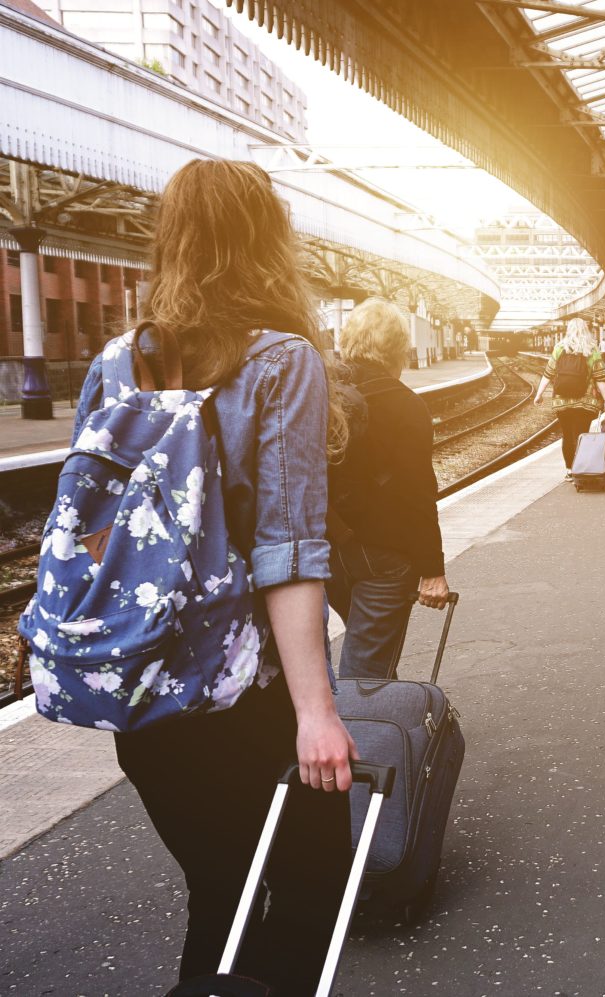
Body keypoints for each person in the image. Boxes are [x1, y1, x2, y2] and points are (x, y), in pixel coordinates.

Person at [71, 160, 356, 993]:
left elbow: (91, 536)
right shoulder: (282, 361)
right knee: (311, 893)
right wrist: (317, 711)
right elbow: (290, 551)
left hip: (145, 704)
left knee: (219, 893)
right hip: (247, 698)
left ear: (173, 241)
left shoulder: (114, 365)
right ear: (268, 242)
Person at [327, 298, 451, 680]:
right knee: (364, 673)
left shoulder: (324, 394)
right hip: (385, 559)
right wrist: (433, 570)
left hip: (330, 551)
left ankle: (384, 729)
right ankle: (361, 734)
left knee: (372, 657)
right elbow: (417, 493)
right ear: (399, 348)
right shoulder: (405, 405)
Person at [534, 317, 605, 473]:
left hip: (561, 400)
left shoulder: (559, 348)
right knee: (581, 435)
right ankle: (580, 468)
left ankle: (570, 469)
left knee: (567, 435)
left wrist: (539, 394)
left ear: (568, 330)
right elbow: (600, 378)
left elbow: (548, 374)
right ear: (586, 330)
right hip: (585, 401)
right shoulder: (591, 349)